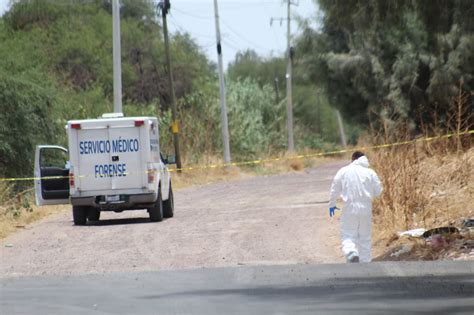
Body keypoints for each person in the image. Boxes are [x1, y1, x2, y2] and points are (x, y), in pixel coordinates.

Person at [329, 151, 382, 263]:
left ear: (353, 159)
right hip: (366, 207)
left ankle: (351, 252)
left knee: (348, 233)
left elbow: (335, 188)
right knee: (365, 237)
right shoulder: (370, 172)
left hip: (349, 207)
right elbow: (378, 191)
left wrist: (332, 204)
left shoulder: (343, 171)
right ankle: (366, 263)